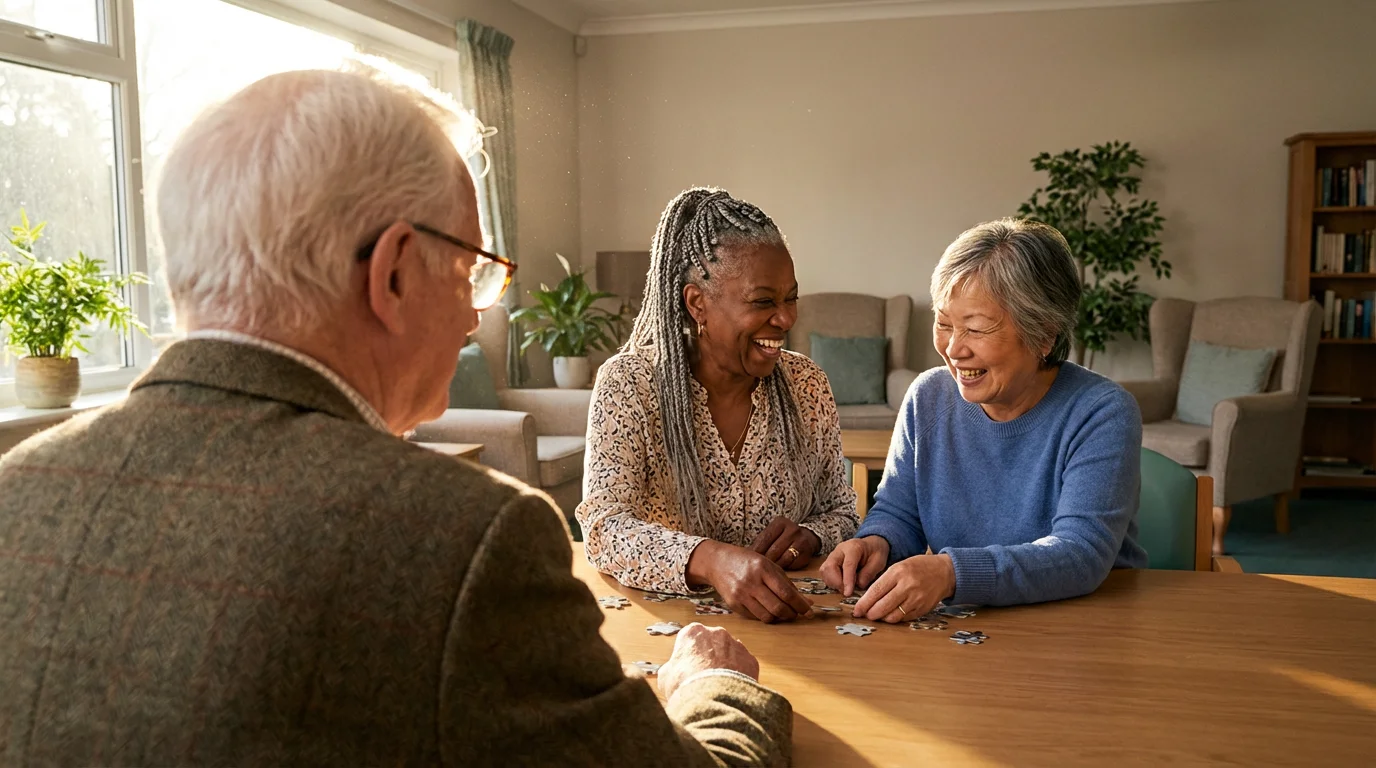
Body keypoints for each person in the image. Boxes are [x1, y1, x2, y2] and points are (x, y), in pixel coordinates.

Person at [0, 69, 791, 766]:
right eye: (475, 271)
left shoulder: (15, 492)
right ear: (394, 273)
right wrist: (714, 685)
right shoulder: (467, 539)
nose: (479, 313)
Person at [822, 218, 1147, 622]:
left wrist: (951, 572)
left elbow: (1081, 554)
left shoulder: (1102, 412)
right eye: (944, 324)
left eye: (975, 329)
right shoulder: (928, 396)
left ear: (1043, 334)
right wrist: (876, 542)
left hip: (1082, 625)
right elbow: (900, 513)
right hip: (972, 630)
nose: (954, 349)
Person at [577, 188, 859, 623]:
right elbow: (604, 529)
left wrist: (811, 536)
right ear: (697, 303)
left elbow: (843, 513)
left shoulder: (807, 384)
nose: (785, 318)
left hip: (796, 632)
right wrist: (710, 561)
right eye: (763, 301)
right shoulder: (630, 384)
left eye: (791, 298)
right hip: (673, 636)